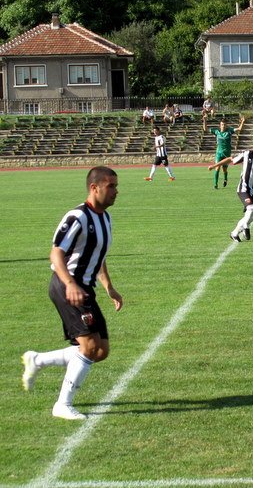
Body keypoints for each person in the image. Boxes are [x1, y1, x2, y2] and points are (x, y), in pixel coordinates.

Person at [21, 167, 124, 420]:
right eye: (111, 186)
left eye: (116, 186)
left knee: (100, 350)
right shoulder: (77, 216)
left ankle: (37, 360)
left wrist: (109, 286)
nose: (116, 191)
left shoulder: (105, 218)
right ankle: (62, 405)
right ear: (94, 187)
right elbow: (55, 253)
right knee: (88, 347)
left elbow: (98, 256)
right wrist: (69, 284)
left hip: (85, 287)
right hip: (67, 285)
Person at [206, 116, 245, 189]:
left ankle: (225, 179)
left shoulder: (229, 131)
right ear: (220, 125)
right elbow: (205, 129)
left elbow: (239, 129)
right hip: (219, 153)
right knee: (217, 168)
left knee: (224, 170)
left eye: (224, 124)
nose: (223, 126)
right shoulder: (216, 131)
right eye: (222, 124)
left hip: (227, 154)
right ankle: (215, 184)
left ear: (226, 125)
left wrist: (242, 121)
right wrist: (204, 120)